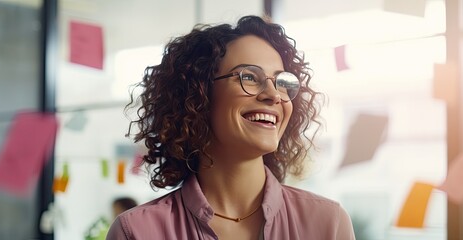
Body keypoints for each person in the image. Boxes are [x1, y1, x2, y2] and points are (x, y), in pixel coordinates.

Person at [107, 15, 355, 240]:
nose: (273, 95)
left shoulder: (328, 223)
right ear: (198, 96)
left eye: (282, 82)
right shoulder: (136, 232)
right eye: (248, 77)